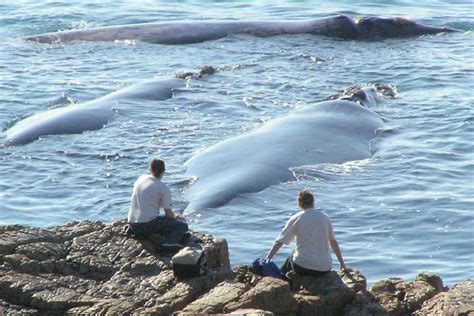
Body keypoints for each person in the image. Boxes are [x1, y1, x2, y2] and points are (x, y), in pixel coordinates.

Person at [266, 189, 347, 276]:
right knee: (296, 254)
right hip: (325, 268)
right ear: (313, 202)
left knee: (292, 256)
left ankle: (282, 281)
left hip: (303, 267)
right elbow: (333, 242)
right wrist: (342, 264)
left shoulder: (296, 218)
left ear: (299, 203)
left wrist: (267, 259)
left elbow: (279, 242)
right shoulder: (325, 217)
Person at [127, 156, 188, 253]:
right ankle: (170, 243)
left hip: (132, 224)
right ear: (163, 171)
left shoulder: (141, 178)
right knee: (182, 226)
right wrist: (176, 218)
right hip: (146, 225)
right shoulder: (163, 188)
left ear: (150, 169)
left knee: (157, 217)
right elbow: (168, 214)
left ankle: (140, 234)